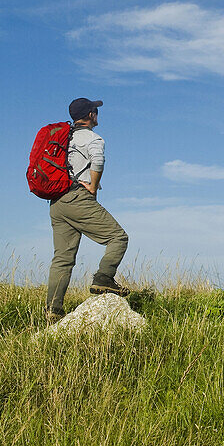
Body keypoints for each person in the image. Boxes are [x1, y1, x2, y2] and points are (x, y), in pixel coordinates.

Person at [44, 97, 130, 322]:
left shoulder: (64, 138)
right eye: (95, 111)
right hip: (77, 198)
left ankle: (53, 310)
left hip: (57, 202)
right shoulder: (93, 138)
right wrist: (93, 186)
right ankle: (103, 279)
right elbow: (98, 162)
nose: (97, 114)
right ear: (91, 115)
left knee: (62, 258)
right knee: (118, 237)